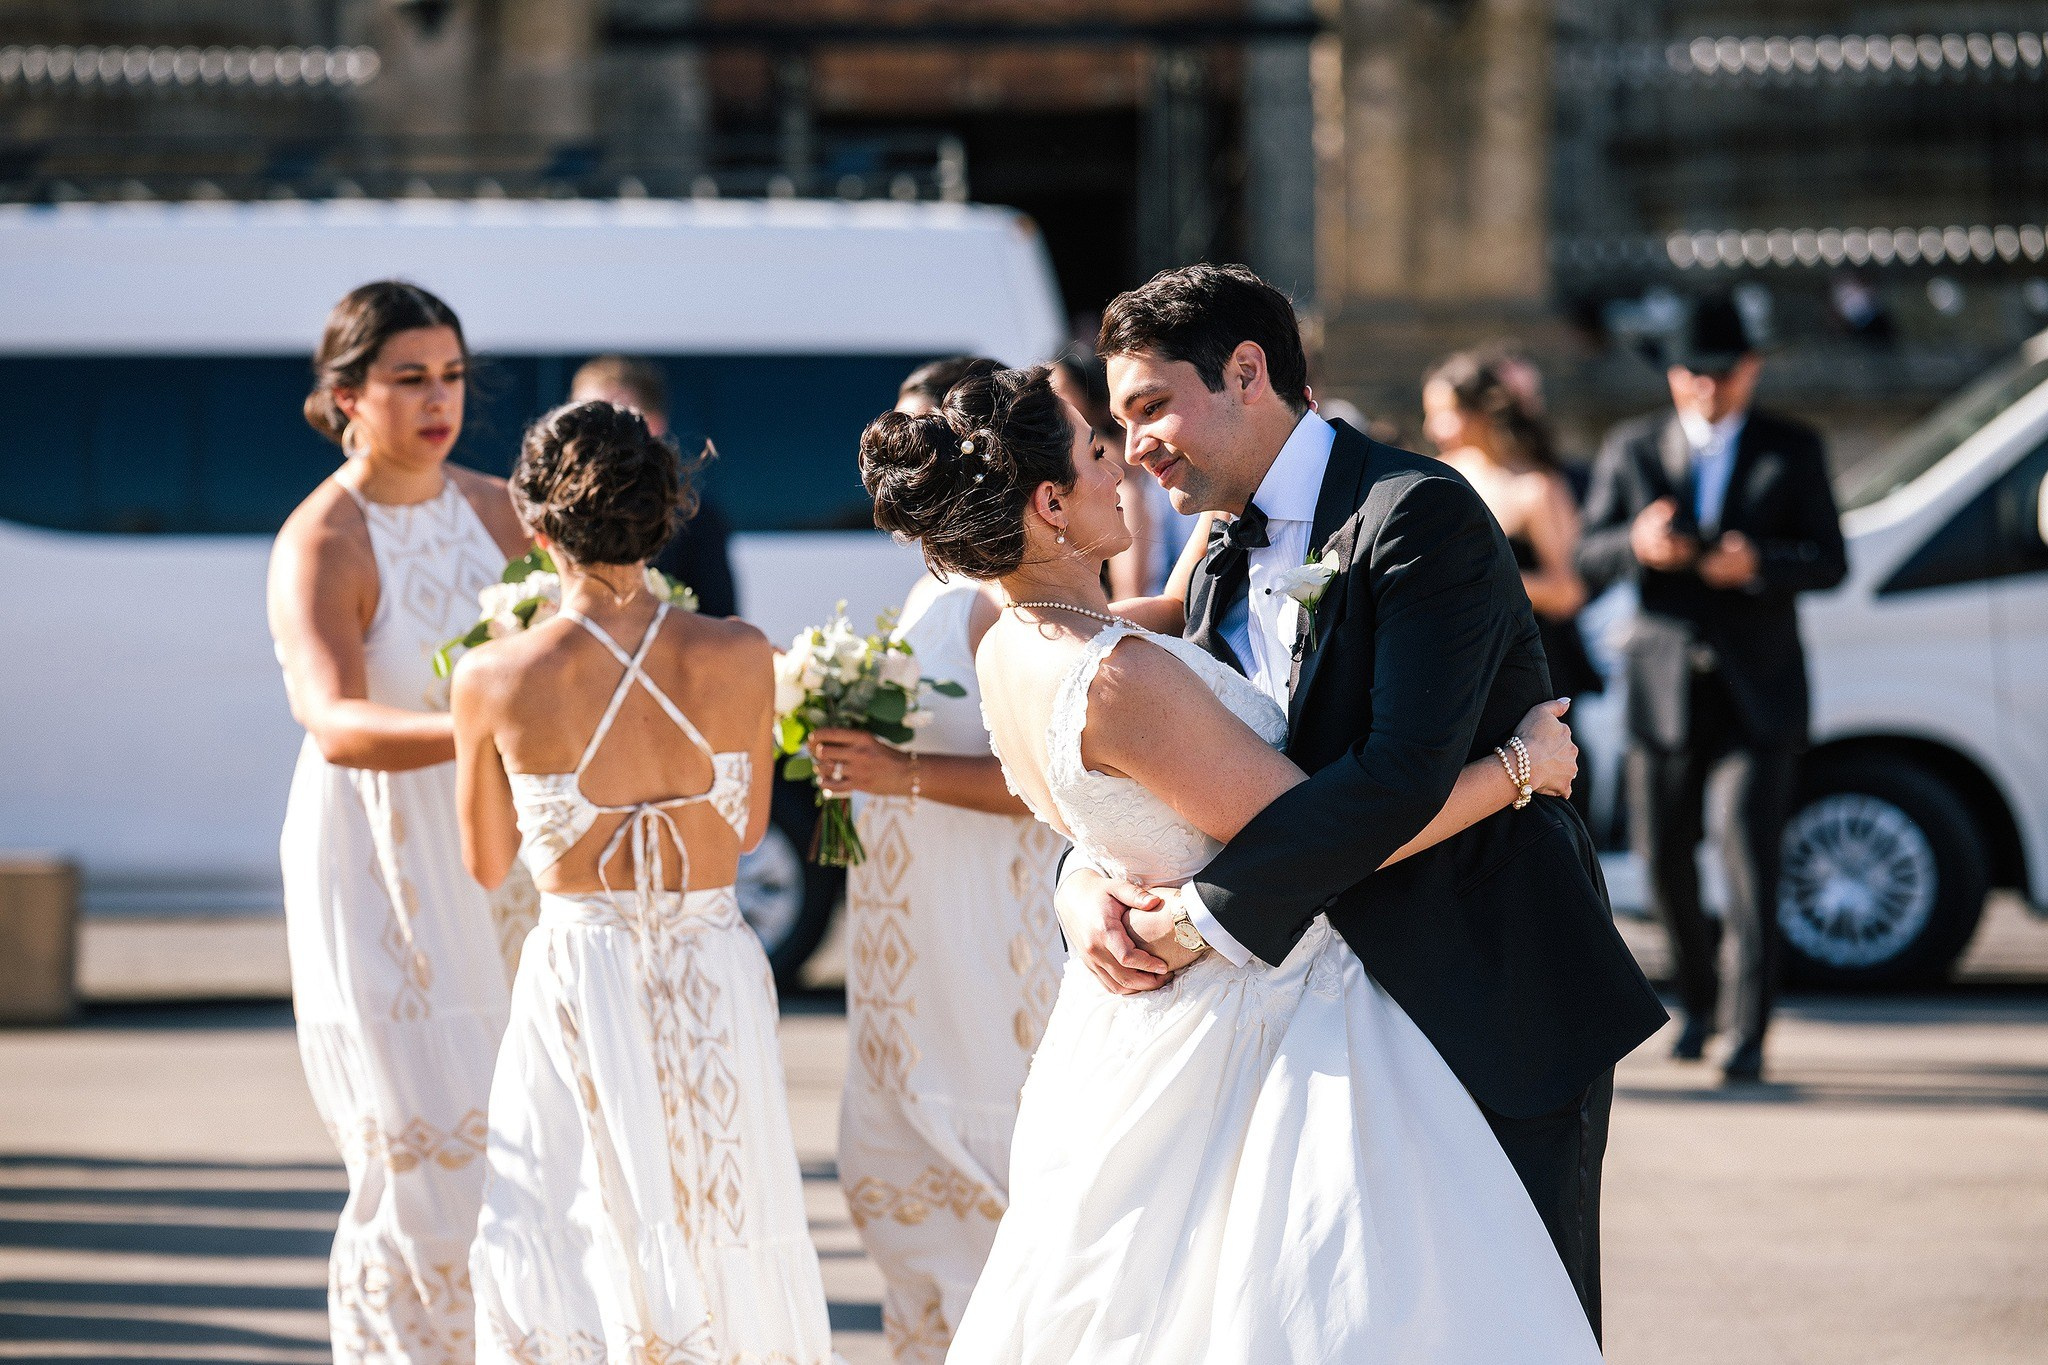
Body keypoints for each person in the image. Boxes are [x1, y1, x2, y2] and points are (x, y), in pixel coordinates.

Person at [860, 358, 1620, 1361]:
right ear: (1049, 503)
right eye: (1097, 449)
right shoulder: (1119, 676)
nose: (1122, 464)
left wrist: (1082, 881)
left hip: (1138, 1026)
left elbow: (1103, 791)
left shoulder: (1015, 642)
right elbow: (1324, 836)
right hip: (1263, 1022)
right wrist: (1520, 766)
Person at [1054, 264, 1670, 1343]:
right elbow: (1178, 757)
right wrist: (1084, 883)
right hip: (1320, 1018)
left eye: (1150, 406)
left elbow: (1398, 774)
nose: (1135, 444)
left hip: (1486, 987)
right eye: (1119, 420)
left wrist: (1199, 920)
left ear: (1247, 372)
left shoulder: (1417, 512)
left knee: (1519, 1327)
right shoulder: (1222, 542)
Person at [452, 401, 831, 1359]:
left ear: (536, 527)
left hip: (582, 971)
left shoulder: (495, 674)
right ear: (666, 516)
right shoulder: (742, 653)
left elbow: (486, 861)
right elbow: (747, 830)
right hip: (712, 963)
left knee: (580, 1218)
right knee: (723, 1217)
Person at [269, 280, 535, 1362]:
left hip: (502, 853)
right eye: (411, 379)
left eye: (454, 377)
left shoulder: (499, 509)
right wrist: (480, 728)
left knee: (526, 1143)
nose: (440, 401)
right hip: (379, 855)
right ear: (347, 396)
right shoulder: (323, 537)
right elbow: (332, 719)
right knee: (420, 1160)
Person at [802, 360, 1065, 1363]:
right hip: (906, 925)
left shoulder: (1002, 598)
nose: (910, 466)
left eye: (931, 442)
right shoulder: (932, 586)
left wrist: (897, 771)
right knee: (902, 1166)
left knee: (981, 1176)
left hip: (978, 935)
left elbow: (1047, 780)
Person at [1578, 294, 1848, 1083]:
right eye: (1693, 372)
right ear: (1673, 375)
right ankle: (1698, 1000)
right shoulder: (1633, 446)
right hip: (1662, 688)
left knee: (1749, 858)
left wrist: (1758, 562)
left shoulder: (1793, 446)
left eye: (1723, 373)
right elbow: (1587, 554)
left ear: (1751, 371)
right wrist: (1639, 543)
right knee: (1662, 858)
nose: (1707, 386)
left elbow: (1831, 560)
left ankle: (1749, 1030)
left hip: (1758, 689)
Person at [1424, 349, 1604, 821]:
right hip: (1458, 664)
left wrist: (1489, 583)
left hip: (1529, 663)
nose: (1432, 428)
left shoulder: (1536, 487)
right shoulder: (1433, 477)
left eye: (1443, 414)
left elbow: (1569, 591)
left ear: (1479, 414)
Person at [569, 355, 739, 618]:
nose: (595, 435)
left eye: (614, 421)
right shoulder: (554, 511)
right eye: (582, 420)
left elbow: (717, 616)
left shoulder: (695, 518)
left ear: (654, 425)